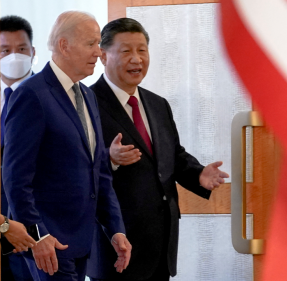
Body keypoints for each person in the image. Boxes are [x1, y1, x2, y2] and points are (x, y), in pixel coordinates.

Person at [86, 18, 229, 280]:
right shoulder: (86, 103)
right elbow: (73, 166)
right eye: (126, 51)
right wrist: (110, 159)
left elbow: (171, 155)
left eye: (142, 50)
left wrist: (197, 174)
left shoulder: (157, 104)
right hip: (115, 247)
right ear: (103, 56)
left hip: (160, 244)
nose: (136, 59)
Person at [2, 11, 132, 280]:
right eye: (91, 44)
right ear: (64, 45)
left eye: (99, 44)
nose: (99, 52)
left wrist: (116, 229)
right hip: (48, 245)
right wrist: (38, 235)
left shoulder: (86, 94)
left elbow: (100, 172)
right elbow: (15, 177)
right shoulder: (30, 95)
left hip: (82, 243)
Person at [0, 15, 37, 281]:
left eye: (21, 49)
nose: (14, 56)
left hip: (40, 233)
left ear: (33, 52)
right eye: (5, 50)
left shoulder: (52, 97)